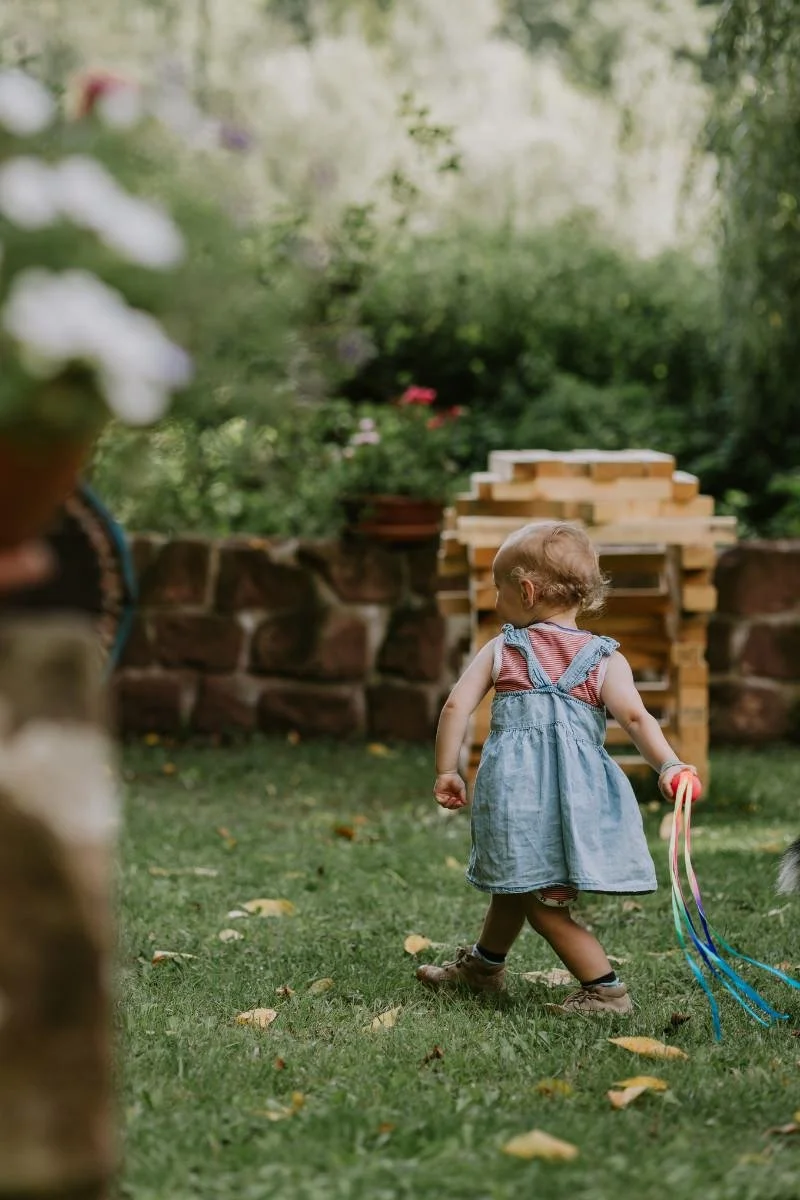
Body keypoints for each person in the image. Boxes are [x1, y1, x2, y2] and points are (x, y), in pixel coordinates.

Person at [416, 521, 702, 1016]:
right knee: (516, 886)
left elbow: (455, 708)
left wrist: (448, 770)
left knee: (543, 905)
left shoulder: (502, 648)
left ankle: (606, 990)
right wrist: (670, 765)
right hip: (577, 802)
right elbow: (637, 717)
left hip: (520, 801)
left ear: (525, 591)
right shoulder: (605, 659)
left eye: (498, 588)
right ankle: (483, 971)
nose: (495, 598)